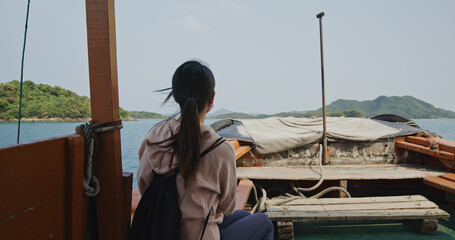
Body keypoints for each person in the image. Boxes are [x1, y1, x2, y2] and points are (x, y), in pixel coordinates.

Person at [137, 60, 274, 240]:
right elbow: (227, 207)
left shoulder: (154, 137)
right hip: (199, 235)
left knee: (243, 216)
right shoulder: (220, 149)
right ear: (212, 99)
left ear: (175, 97)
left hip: (160, 229)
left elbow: (143, 183)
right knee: (263, 222)